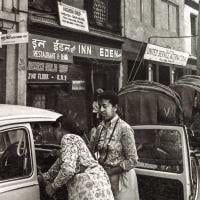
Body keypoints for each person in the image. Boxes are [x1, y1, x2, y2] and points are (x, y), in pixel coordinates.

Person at [38, 120, 114, 200]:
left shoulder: (68, 138)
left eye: (53, 130)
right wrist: (40, 177)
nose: (53, 135)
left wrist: (53, 186)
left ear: (59, 126)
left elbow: (68, 169)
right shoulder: (73, 142)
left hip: (89, 187)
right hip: (99, 184)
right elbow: (54, 171)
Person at [90, 91, 139, 200]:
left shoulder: (124, 128)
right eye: (99, 106)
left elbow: (133, 160)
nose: (101, 110)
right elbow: (92, 150)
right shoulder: (100, 128)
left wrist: (111, 172)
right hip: (104, 177)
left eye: (105, 106)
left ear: (115, 107)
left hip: (122, 180)